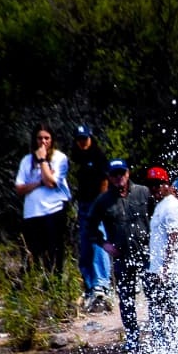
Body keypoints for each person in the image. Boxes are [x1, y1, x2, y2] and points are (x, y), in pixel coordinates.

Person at [88, 159, 152, 351]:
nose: (119, 177)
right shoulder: (102, 201)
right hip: (122, 256)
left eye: (121, 173)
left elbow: (158, 215)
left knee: (153, 294)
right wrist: (105, 245)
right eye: (114, 174)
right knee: (126, 298)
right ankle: (132, 337)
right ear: (109, 176)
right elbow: (89, 228)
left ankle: (158, 333)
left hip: (147, 253)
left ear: (128, 173)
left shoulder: (143, 192)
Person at [143, 167, 178, 350]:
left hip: (171, 272)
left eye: (158, 185)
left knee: (171, 312)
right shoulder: (161, 205)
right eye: (151, 185)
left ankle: (177, 349)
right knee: (159, 312)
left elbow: (174, 237)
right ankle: (165, 349)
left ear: (166, 185)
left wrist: (165, 267)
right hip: (161, 270)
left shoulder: (171, 206)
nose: (154, 189)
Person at [15, 123, 71, 272]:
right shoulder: (26, 160)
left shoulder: (60, 158)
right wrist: (39, 182)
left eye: (47, 138)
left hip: (54, 210)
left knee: (54, 253)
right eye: (40, 138)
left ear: (52, 140)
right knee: (33, 254)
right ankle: (35, 288)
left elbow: (51, 182)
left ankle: (55, 286)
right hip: (32, 212)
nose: (43, 142)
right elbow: (19, 188)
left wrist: (42, 161)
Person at [69, 124, 112, 311]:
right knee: (85, 243)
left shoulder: (98, 156)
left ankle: (101, 283)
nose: (82, 143)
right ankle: (88, 284)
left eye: (84, 139)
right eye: (79, 140)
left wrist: (101, 204)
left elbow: (105, 180)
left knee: (98, 242)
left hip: (96, 204)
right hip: (84, 205)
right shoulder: (78, 157)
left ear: (90, 138)